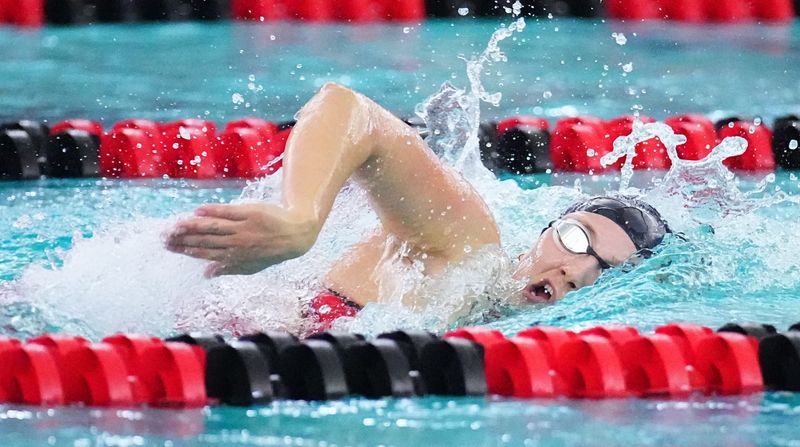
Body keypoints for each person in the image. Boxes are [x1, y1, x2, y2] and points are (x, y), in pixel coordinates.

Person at [165, 83, 670, 327]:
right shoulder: (466, 245)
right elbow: (348, 108)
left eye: (609, 270)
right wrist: (300, 221)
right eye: (578, 238)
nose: (577, 270)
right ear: (546, 228)